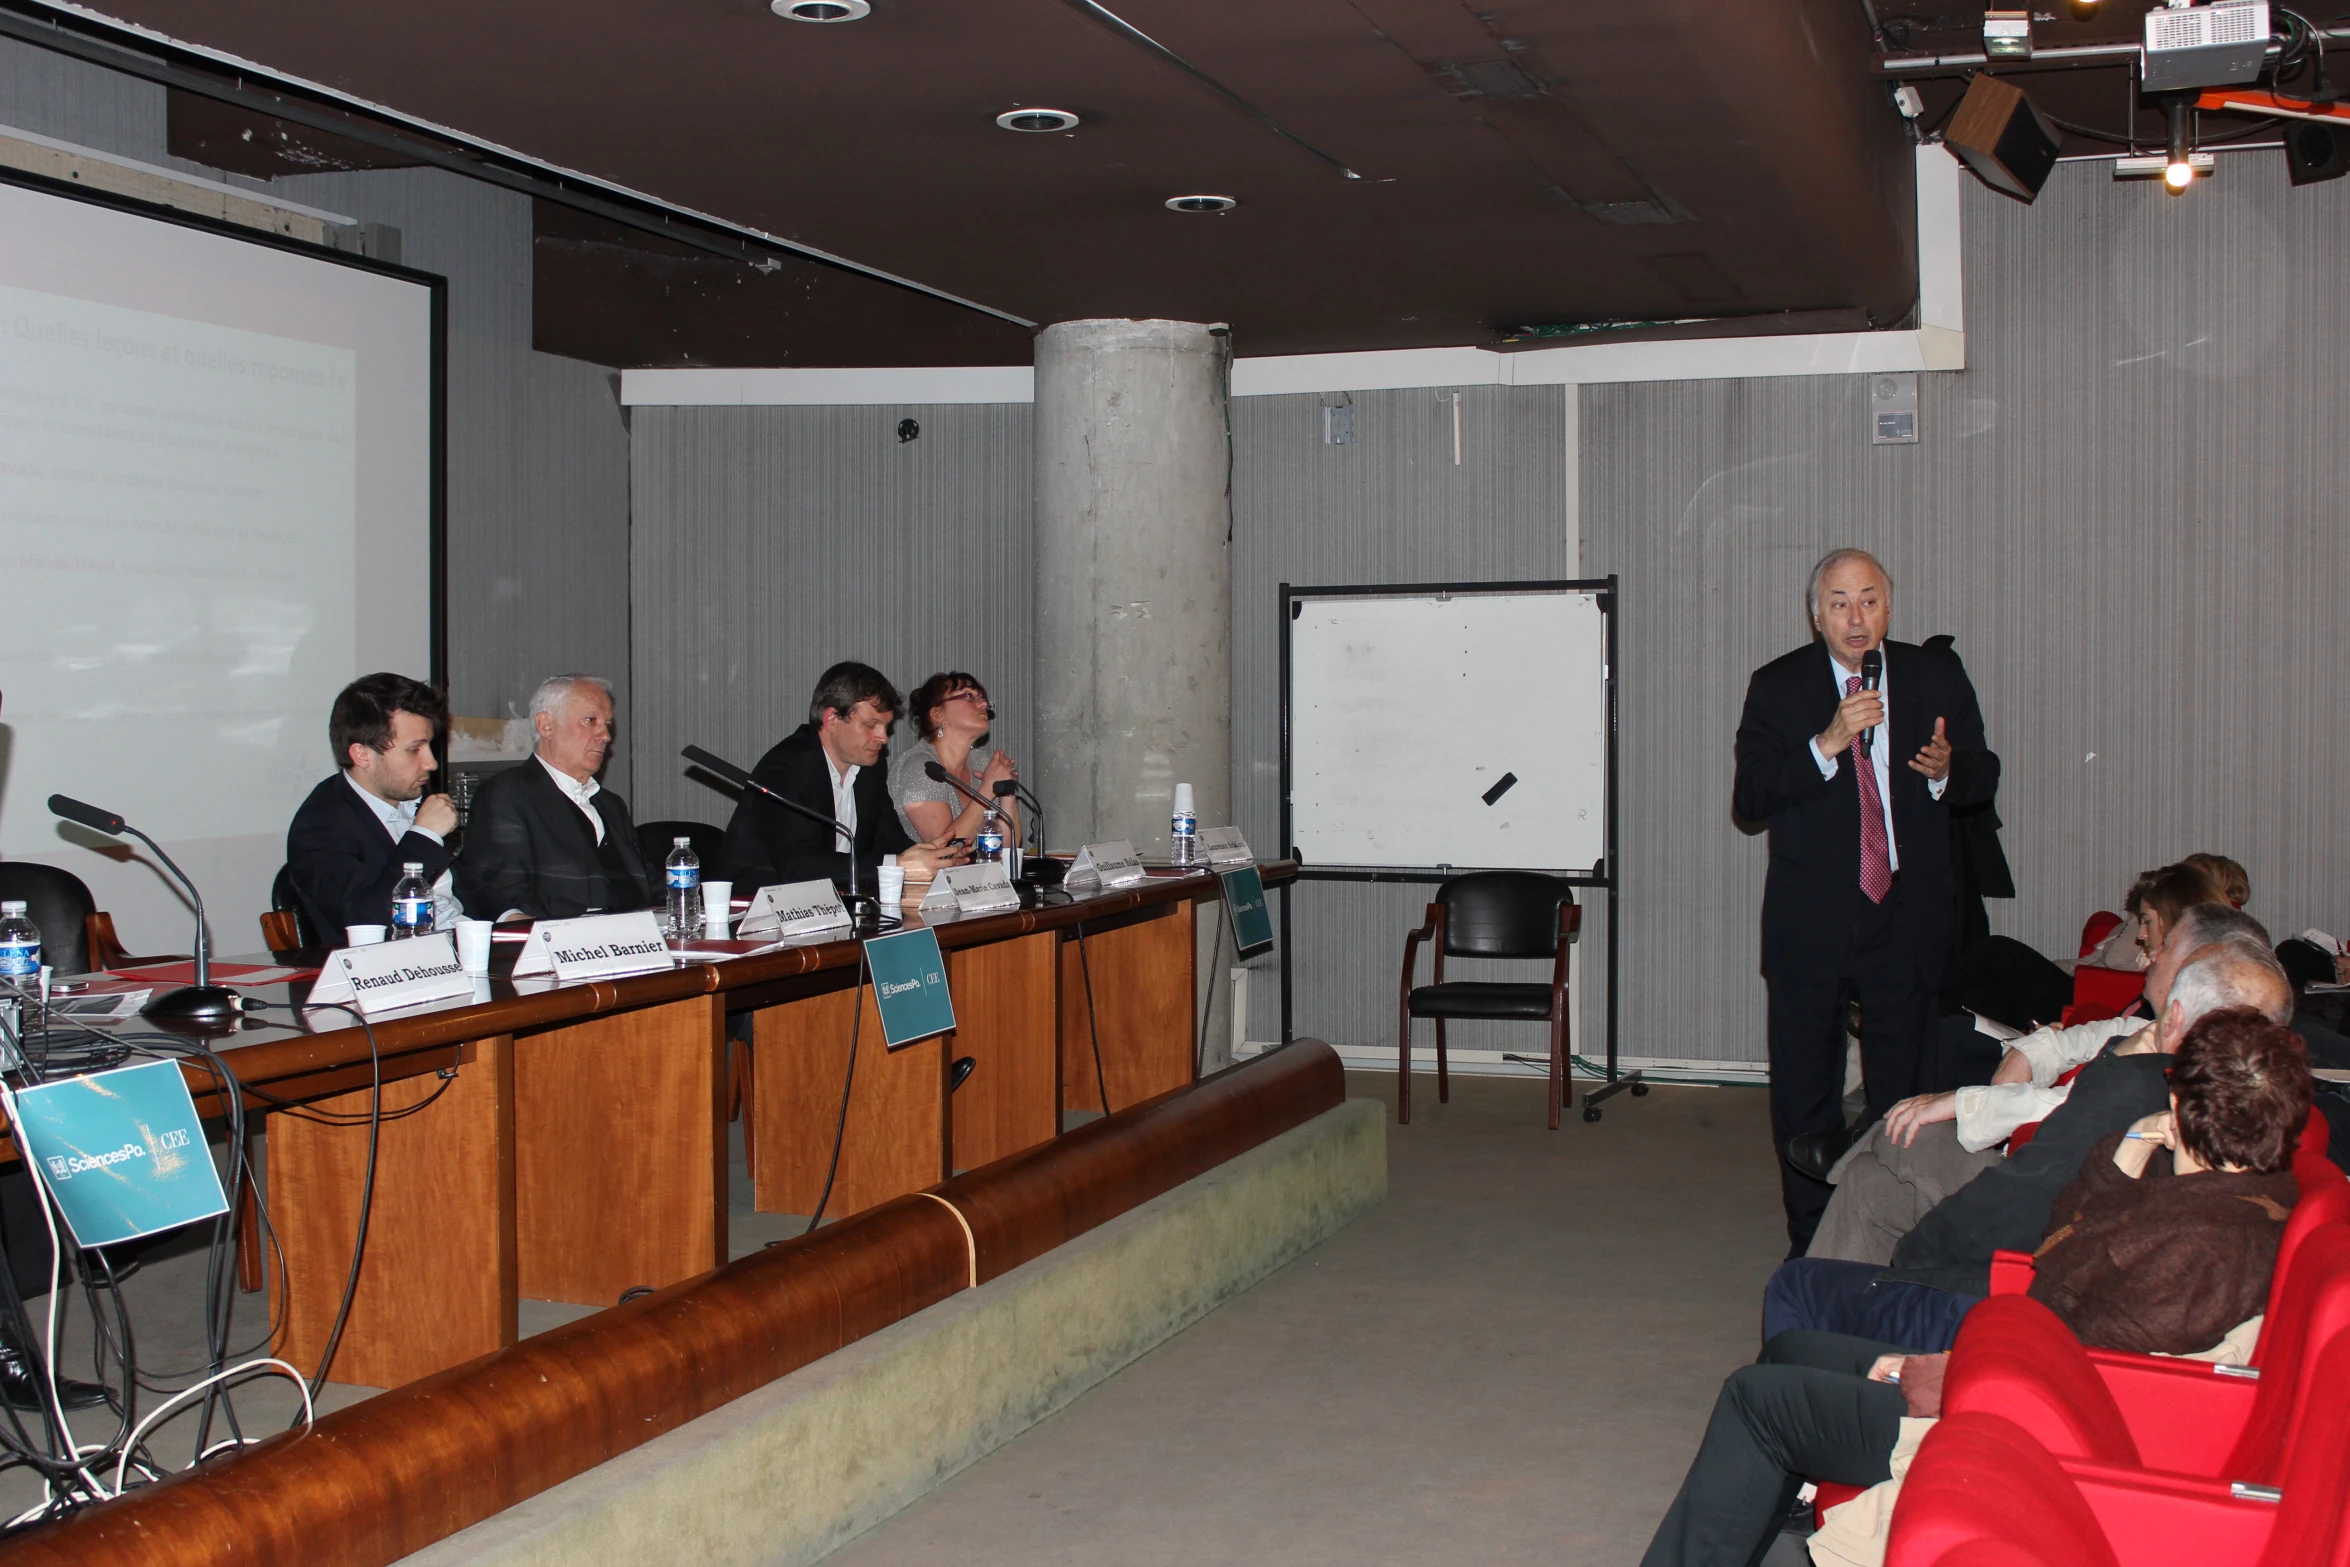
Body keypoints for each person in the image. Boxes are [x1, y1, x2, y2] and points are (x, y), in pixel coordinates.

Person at [1639, 1007, 2312, 1567]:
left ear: (2177, 1099)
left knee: (1756, 1399)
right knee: (1790, 1355)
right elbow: (2069, 1264)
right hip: (2021, 1382)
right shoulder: (2237, 1201)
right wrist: (2130, 1149)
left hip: (2013, 1427)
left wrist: (1952, 1370)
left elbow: (2060, 1292)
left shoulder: (2203, 1242)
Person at [1762, 940, 2294, 1347]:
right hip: (2052, 1255)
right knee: (1871, 1183)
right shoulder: (2250, 1105)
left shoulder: (2144, 1086)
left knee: (1807, 1271)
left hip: (2016, 1286)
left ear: (2176, 1017)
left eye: (2163, 948)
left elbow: (2028, 1204)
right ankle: (1825, 1369)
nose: (2150, 958)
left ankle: (1817, 1362)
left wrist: (1918, 1253)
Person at [1732, 549, 2001, 1251]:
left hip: (1906, 920)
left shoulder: (1934, 675)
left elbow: (1982, 772)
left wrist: (1948, 772)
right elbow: (1751, 796)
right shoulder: (1779, 685)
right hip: (1812, 923)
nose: (1858, 617)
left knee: (1905, 1092)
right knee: (1804, 1090)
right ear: (1816, 613)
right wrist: (1827, 742)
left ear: (1890, 605)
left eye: (1871, 600)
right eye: (1841, 603)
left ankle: (1892, 1231)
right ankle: (1812, 1240)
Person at [721, 661, 967, 894]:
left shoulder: (870, 765)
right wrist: (896, 865)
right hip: (751, 908)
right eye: (871, 725)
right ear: (831, 719)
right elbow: (798, 866)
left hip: (835, 903)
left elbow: (887, 838)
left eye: (886, 726)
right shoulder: (786, 767)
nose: (883, 737)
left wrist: (931, 857)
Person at [285, 673, 464, 947]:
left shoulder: (417, 797)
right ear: (362, 755)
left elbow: (469, 887)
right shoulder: (320, 824)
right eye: (414, 749)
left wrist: (509, 916)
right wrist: (425, 836)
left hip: (466, 947)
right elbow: (363, 920)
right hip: (397, 971)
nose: (431, 763)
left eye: (429, 745)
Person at [455, 675, 652, 920]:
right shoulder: (507, 796)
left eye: (607, 724)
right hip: (566, 948)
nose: (605, 736)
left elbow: (647, 885)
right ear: (546, 726)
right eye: (590, 721)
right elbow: (501, 896)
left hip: (640, 944)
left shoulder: (610, 804)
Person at [890, 671, 1020, 846]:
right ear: (937, 714)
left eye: (982, 698)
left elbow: (1008, 849)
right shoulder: (919, 766)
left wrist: (1007, 790)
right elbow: (946, 847)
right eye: (969, 696)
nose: (983, 704)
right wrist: (989, 787)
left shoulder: (981, 762)